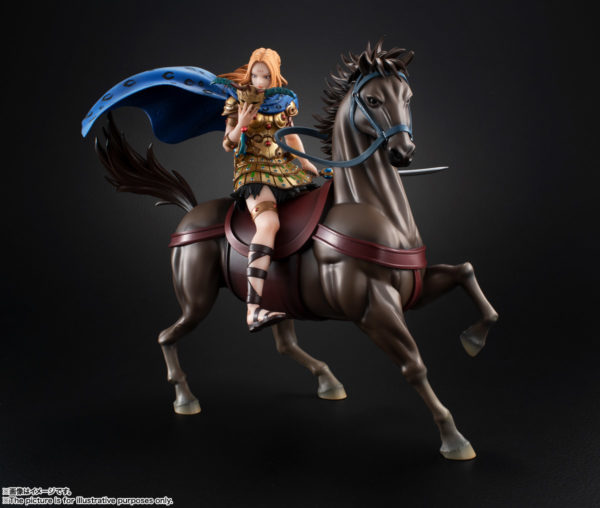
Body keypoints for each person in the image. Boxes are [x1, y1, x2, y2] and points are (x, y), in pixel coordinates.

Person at [219, 48, 319, 332]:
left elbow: (290, 135)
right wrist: (241, 124)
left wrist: (307, 162)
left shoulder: (284, 101)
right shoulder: (238, 100)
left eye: (265, 76)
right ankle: (253, 309)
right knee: (268, 223)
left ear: (274, 76)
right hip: (252, 170)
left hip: (283, 168)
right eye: (255, 75)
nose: (260, 82)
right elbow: (227, 143)